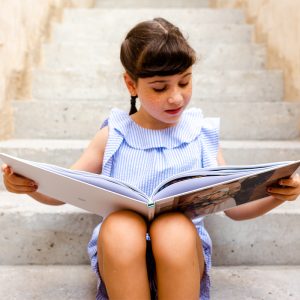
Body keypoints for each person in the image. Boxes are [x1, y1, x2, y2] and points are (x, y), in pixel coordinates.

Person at [2, 17, 300, 300]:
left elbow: (235, 208)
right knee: (120, 225)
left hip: (182, 254)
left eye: (184, 82)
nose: (176, 97)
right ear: (131, 85)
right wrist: (30, 187)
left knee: (173, 227)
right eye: (160, 87)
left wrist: (277, 195)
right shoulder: (114, 133)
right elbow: (63, 191)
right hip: (121, 256)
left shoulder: (199, 133)